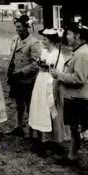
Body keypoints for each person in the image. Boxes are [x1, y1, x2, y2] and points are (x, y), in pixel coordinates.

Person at [50, 20, 88, 175]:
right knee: (74, 128)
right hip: (73, 98)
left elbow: (79, 79)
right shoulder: (80, 51)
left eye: (69, 34)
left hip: (78, 99)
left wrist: (59, 75)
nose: (67, 36)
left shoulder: (83, 55)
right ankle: (72, 157)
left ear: (78, 36)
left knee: (84, 130)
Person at [28, 28, 66, 156]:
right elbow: (39, 65)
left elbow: (59, 72)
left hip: (50, 84)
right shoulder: (43, 52)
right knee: (39, 108)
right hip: (40, 82)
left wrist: (51, 74)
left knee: (50, 109)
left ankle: (53, 140)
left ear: (51, 41)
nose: (42, 41)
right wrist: (40, 66)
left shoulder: (58, 55)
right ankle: (41, 139)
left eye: (45, 39)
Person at [7, 14, 41, 138]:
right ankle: (19, 126)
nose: (18, 30)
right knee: (18, 103)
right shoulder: (15, 39)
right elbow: (13, 57)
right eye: (16, 27)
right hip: (16, 78)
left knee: (30, 105)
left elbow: (36, 63)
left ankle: (32, 130)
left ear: (27, 27)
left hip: (27, 79)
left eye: (20, 27)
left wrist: (22, 72)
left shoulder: (34, 43)